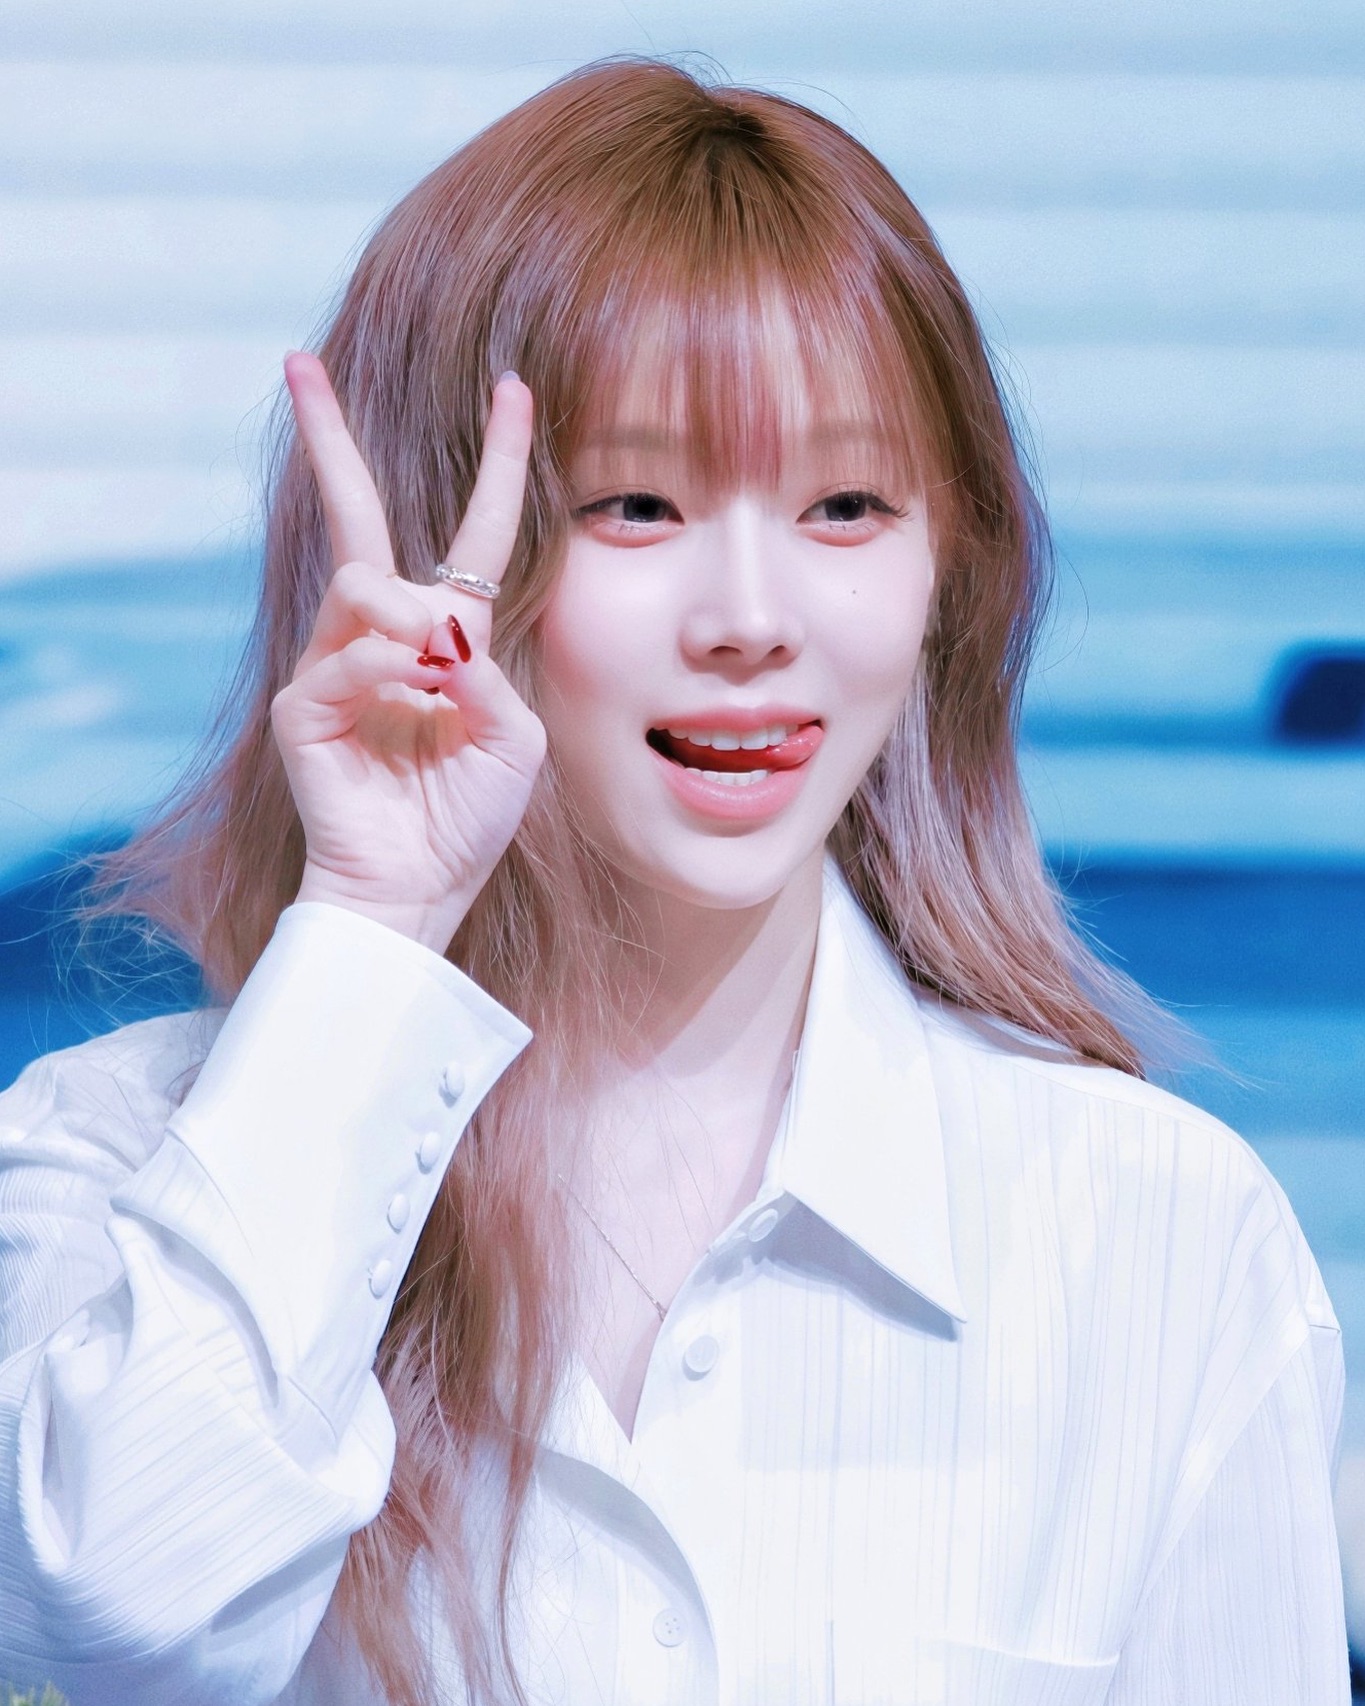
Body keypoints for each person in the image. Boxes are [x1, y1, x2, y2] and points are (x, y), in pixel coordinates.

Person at [0, 56, 1349, 1706]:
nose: (750, 618)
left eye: (845, 506)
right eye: (635, 505)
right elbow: (117, 1614)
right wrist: (373, 918)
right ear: (437, 558)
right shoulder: (108, 1161)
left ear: (950, 571)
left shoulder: (1155, 1236)